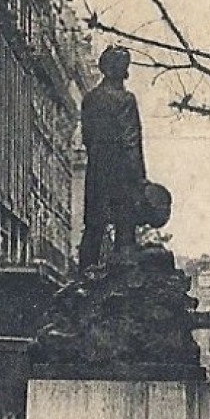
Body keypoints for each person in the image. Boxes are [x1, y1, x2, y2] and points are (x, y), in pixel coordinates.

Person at [79, 45, 148, 269]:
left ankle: (85, 274)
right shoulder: (126, 100)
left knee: (94, 226)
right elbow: (131, 142)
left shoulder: (90, 99)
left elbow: (87, 137)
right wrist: (140, 180)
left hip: (97, 168)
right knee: (125, 227)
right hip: (121, 171)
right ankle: (123, 277)